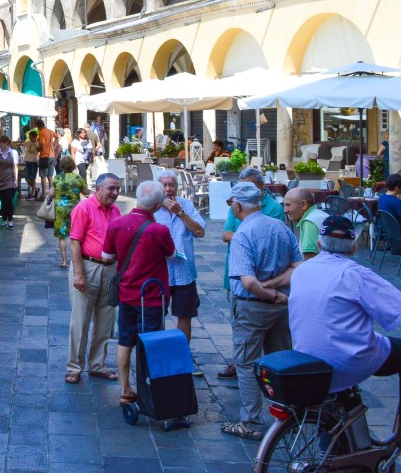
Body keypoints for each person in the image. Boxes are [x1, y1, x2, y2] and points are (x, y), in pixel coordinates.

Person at [289, 215, 401, 451]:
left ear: (319, 244)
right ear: (354, 247)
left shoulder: (301, 271)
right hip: (349, 359)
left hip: (307, 356)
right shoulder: (356, 275)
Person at [221, 182, 301, 441]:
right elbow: (297, 266)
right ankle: (287, 413)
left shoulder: (243, 234)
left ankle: (251, 421)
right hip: (280, 308)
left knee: (245, 363)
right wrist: (278, 292)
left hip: (253, 307)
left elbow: (248, 283)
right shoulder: (279, 226)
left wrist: (269, 292)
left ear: (236, 206)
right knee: (280, 360)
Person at [102, 181, 175, 405]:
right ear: (156, 206)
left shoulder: (117, 223)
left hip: (126, 294)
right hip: (151, 297)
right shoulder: (159, 230)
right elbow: (171, 255)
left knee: (125, 341)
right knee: (150, 342)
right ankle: (148, 389)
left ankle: (126, 389)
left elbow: (106, 257)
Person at [218, 166, 285, 379]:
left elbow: (265, 241)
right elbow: (225, 234)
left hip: (264, 278)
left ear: (261, 187)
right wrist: (247, 236)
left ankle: (258, 366)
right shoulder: (235, 204)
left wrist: (242, 236)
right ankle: (240, 361)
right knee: (237, 321)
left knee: (269, 334)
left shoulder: (273, 208)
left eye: (248, 186)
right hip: (236, 273)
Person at [66, 173, 122, 384]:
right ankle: (74, 366)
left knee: (106, 320)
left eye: (117, 188)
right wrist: (79, 273)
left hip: (109, 268)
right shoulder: (84, 208)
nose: (115, 193)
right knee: (80, 320)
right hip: (88, 266)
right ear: (97, 189)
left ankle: (97, 364)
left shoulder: (115, 210)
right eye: (111, 188)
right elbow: (74, 242)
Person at [153, 168, 206, 365]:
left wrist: (180, 213)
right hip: (159, 273)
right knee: (156, 315)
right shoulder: (151, 209)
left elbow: (200, 232)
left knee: (185, 315)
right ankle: (157, 355)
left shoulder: (186, 205)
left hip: (184, 273)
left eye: (171, 185)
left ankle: (182, 356)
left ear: (177, 186)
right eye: (164, 185)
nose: (168, 189)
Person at [51, 155, 88, 269]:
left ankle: (64, 261)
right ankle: (76, 259)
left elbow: (51, 194)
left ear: (61, 166)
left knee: (62, 236)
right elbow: (86, 192)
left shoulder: (57, 178)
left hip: (60, 209)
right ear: (73, 165)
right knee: (76, 235)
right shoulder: (78, 178)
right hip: (75, 209)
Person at [283, 187, 327, 260]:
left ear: (304, 204)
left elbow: (309, 263)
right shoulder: (317, 214)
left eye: (288, 205)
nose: (285, 210)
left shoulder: (309, 222)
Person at [36, 119, 59, 198]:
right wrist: (53, 145)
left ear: (38, 126)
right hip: (52, 156)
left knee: (43, 176)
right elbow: (57, 137)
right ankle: (51, 194)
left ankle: (43, 194)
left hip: (44, 156)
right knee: (50, 176)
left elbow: (41, 145)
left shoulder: (41, 132)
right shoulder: (49, 131)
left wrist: (37, 148)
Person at [22, 130, 41, 200]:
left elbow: (40, 150)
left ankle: (33, 192)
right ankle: (36, 189)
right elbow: (21, 144)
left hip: (34, 162)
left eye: (31, 137)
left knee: (33, 178)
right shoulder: (28, 142)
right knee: (26, 178)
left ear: (35, 137)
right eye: (29, 137)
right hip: (27, 162)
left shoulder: (37, 144)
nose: (30, 139)